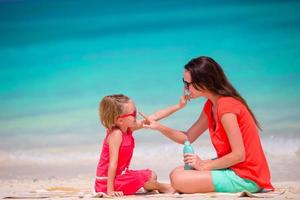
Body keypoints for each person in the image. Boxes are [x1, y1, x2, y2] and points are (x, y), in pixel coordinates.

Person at [142, 56, 274, 193]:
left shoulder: (226, 106)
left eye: (188, 83)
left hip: (248, 176)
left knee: (179, 178)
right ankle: (173, 187)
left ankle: (173, 187)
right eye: (184, 82)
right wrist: (158, 126)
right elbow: (188, 137)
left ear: (204, 82)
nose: (185, 88)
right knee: (176, 172)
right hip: (233, 167)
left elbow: (239, 155)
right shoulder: (211, 105)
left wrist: (205, 165)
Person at [94, 94, 187, 197]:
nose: (136, 116)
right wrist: (110, 191)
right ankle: (165, 187)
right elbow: (113, 164)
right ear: (120, 120)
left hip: (121, 176)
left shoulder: (128, 129)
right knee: (142, 180)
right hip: (107, 183)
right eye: (133, 114)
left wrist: (178, 106)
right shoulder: (116, 135)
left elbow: (154, 117)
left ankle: (150, 185)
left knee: (152, 175)